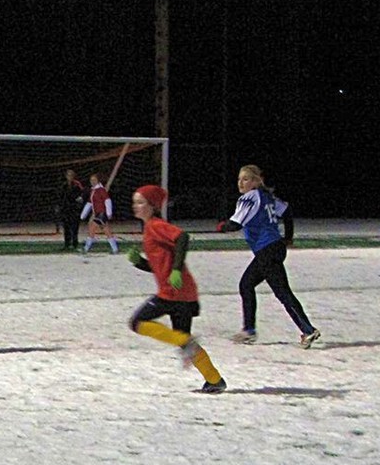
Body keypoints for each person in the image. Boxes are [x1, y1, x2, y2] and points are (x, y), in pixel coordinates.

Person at [127, 185, 227, 393]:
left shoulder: (155, 225)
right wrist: (139, 263)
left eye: (141, 202)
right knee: (185, 342)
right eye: (135, 202)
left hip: (173, 291)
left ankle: (186, 342)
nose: (136, 206)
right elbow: (158, 266)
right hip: (184, 292)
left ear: (153, 206)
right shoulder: (149, 229)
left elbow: (183, 237)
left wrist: (176, 270)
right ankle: (214, 380)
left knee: (137, 322)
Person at [216, 164, 320, 348]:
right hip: (275, 248)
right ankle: (249, 330)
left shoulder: (248, 198)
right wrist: (288, 238)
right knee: (246, 284)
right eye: (239, 179)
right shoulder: (267, 197)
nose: (241, 183)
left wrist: (221, 226)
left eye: (246, 179)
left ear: (256, 181)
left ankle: (307, 329)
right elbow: (286, 212)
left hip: (267, 250)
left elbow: (235, 224)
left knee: (282, 292)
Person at [80, 173, 119, 254]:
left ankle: (86, 248)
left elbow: (107, 201)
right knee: (105, 230)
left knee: (93, 228)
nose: (92, 182)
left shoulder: (101, 190)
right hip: (98, 214)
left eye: (94, 180)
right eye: (91, 180)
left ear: (98, 180)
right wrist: (84, 213)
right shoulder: (93, 190)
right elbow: (90, 203)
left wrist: (109, 213)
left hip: (101, 213)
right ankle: (115, 249)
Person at [59, 169, 85, 250]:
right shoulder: (63, 185)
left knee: (74, 227)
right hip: (66, 209)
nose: (70, 177)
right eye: (68, 175)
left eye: (71, 175)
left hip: (74, 209)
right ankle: (67, 244)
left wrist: (78, 204)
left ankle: (75, 244)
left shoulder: (77, 185)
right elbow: (60, 197)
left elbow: (82, 194)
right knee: (66, 227)